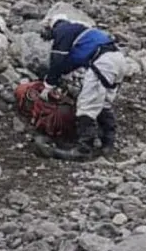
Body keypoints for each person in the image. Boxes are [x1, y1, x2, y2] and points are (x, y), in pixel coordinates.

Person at [39, 13, 128, 159]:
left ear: (51, 25)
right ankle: (108, 142)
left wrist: (48, 85)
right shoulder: (79, 30)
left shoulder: (63, 30)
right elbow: (71, 63)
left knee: (86, 105)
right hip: (118, 60)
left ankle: (84, 149)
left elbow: (57, 61)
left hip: (103, 63)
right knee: (103, 103)